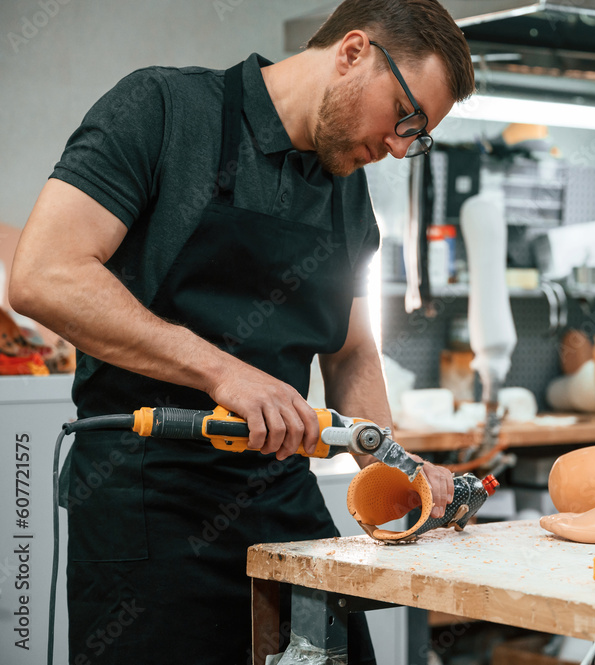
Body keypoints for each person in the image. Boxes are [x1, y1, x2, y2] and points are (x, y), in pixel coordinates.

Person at [8, 0, 475, 663]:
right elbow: (44, 273)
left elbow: (351, 351)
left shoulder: (347, 190)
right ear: (351, 52)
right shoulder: (164, 110)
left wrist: (396, 467)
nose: (400, 148)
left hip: (279, 503)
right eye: (405, 118)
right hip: (146, 501)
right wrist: (220, 369)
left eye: (418, 137)